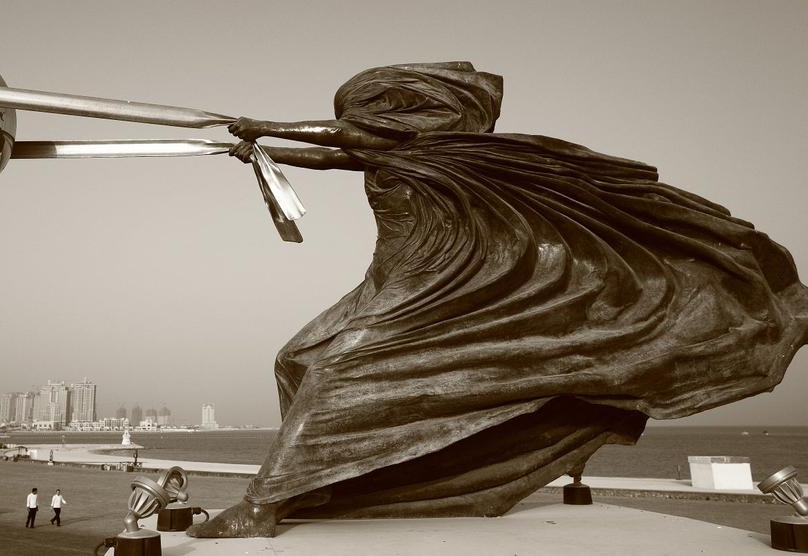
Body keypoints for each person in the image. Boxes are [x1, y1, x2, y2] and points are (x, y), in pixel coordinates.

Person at [186, 62, 808, 538]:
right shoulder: (393, 153)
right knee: (295, 358)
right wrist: (258, 150)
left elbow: (348, 137)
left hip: (441, 287)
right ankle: (327, 485)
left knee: (342, 372)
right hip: (392, 281)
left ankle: (263, 505)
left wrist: (264, 126)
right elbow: (335, 154)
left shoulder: (434, 150)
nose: (371, 126)